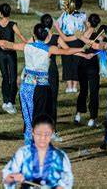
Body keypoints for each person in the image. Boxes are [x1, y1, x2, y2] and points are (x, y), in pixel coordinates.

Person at [0, 23, 85, 144]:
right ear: (46, 37)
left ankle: (29, 146)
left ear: (34, 35)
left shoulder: (27, 46)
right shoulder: (50, 49)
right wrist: (82, 48)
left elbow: (6, 44)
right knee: (40, 119)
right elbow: (67, 51)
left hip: (27, 88)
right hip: (42, 89)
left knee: (28, 120)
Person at [2, 114, 74, 188]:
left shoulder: (60, 156)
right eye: (39, 134)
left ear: (52, 133)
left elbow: (67, 182)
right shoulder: (23, 153)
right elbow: (7, 178)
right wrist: (13, 176)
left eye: (47, 134)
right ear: (32, 132)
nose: (43, 138)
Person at [57, 14, 102, 127]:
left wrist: (58, 29)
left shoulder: (82, 34)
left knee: (84, 90)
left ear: (88, 23)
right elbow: (103, 46)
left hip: (82, 64)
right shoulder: (96, 36)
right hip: (91, 65)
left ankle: (78, 114)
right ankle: (92, 118)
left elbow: (66, 39)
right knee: (93, 91)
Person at [39, 14, 69, 142]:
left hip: (39, 72)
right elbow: (67, 48)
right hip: (51, 73)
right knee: (52, 103)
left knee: (40, 102)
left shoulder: (37, 37)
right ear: (51, 24)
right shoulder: (56, 38)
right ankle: (52, 131)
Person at [56, 0, 86, 93]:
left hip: (67, 40)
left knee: (67, 63)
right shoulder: (84, 15)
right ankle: (75, 86)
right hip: (79, 40)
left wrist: (60, 38)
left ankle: (69, 86)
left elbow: (57, 25)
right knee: (77, 63)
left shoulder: (65, 14)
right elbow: (86, 27)